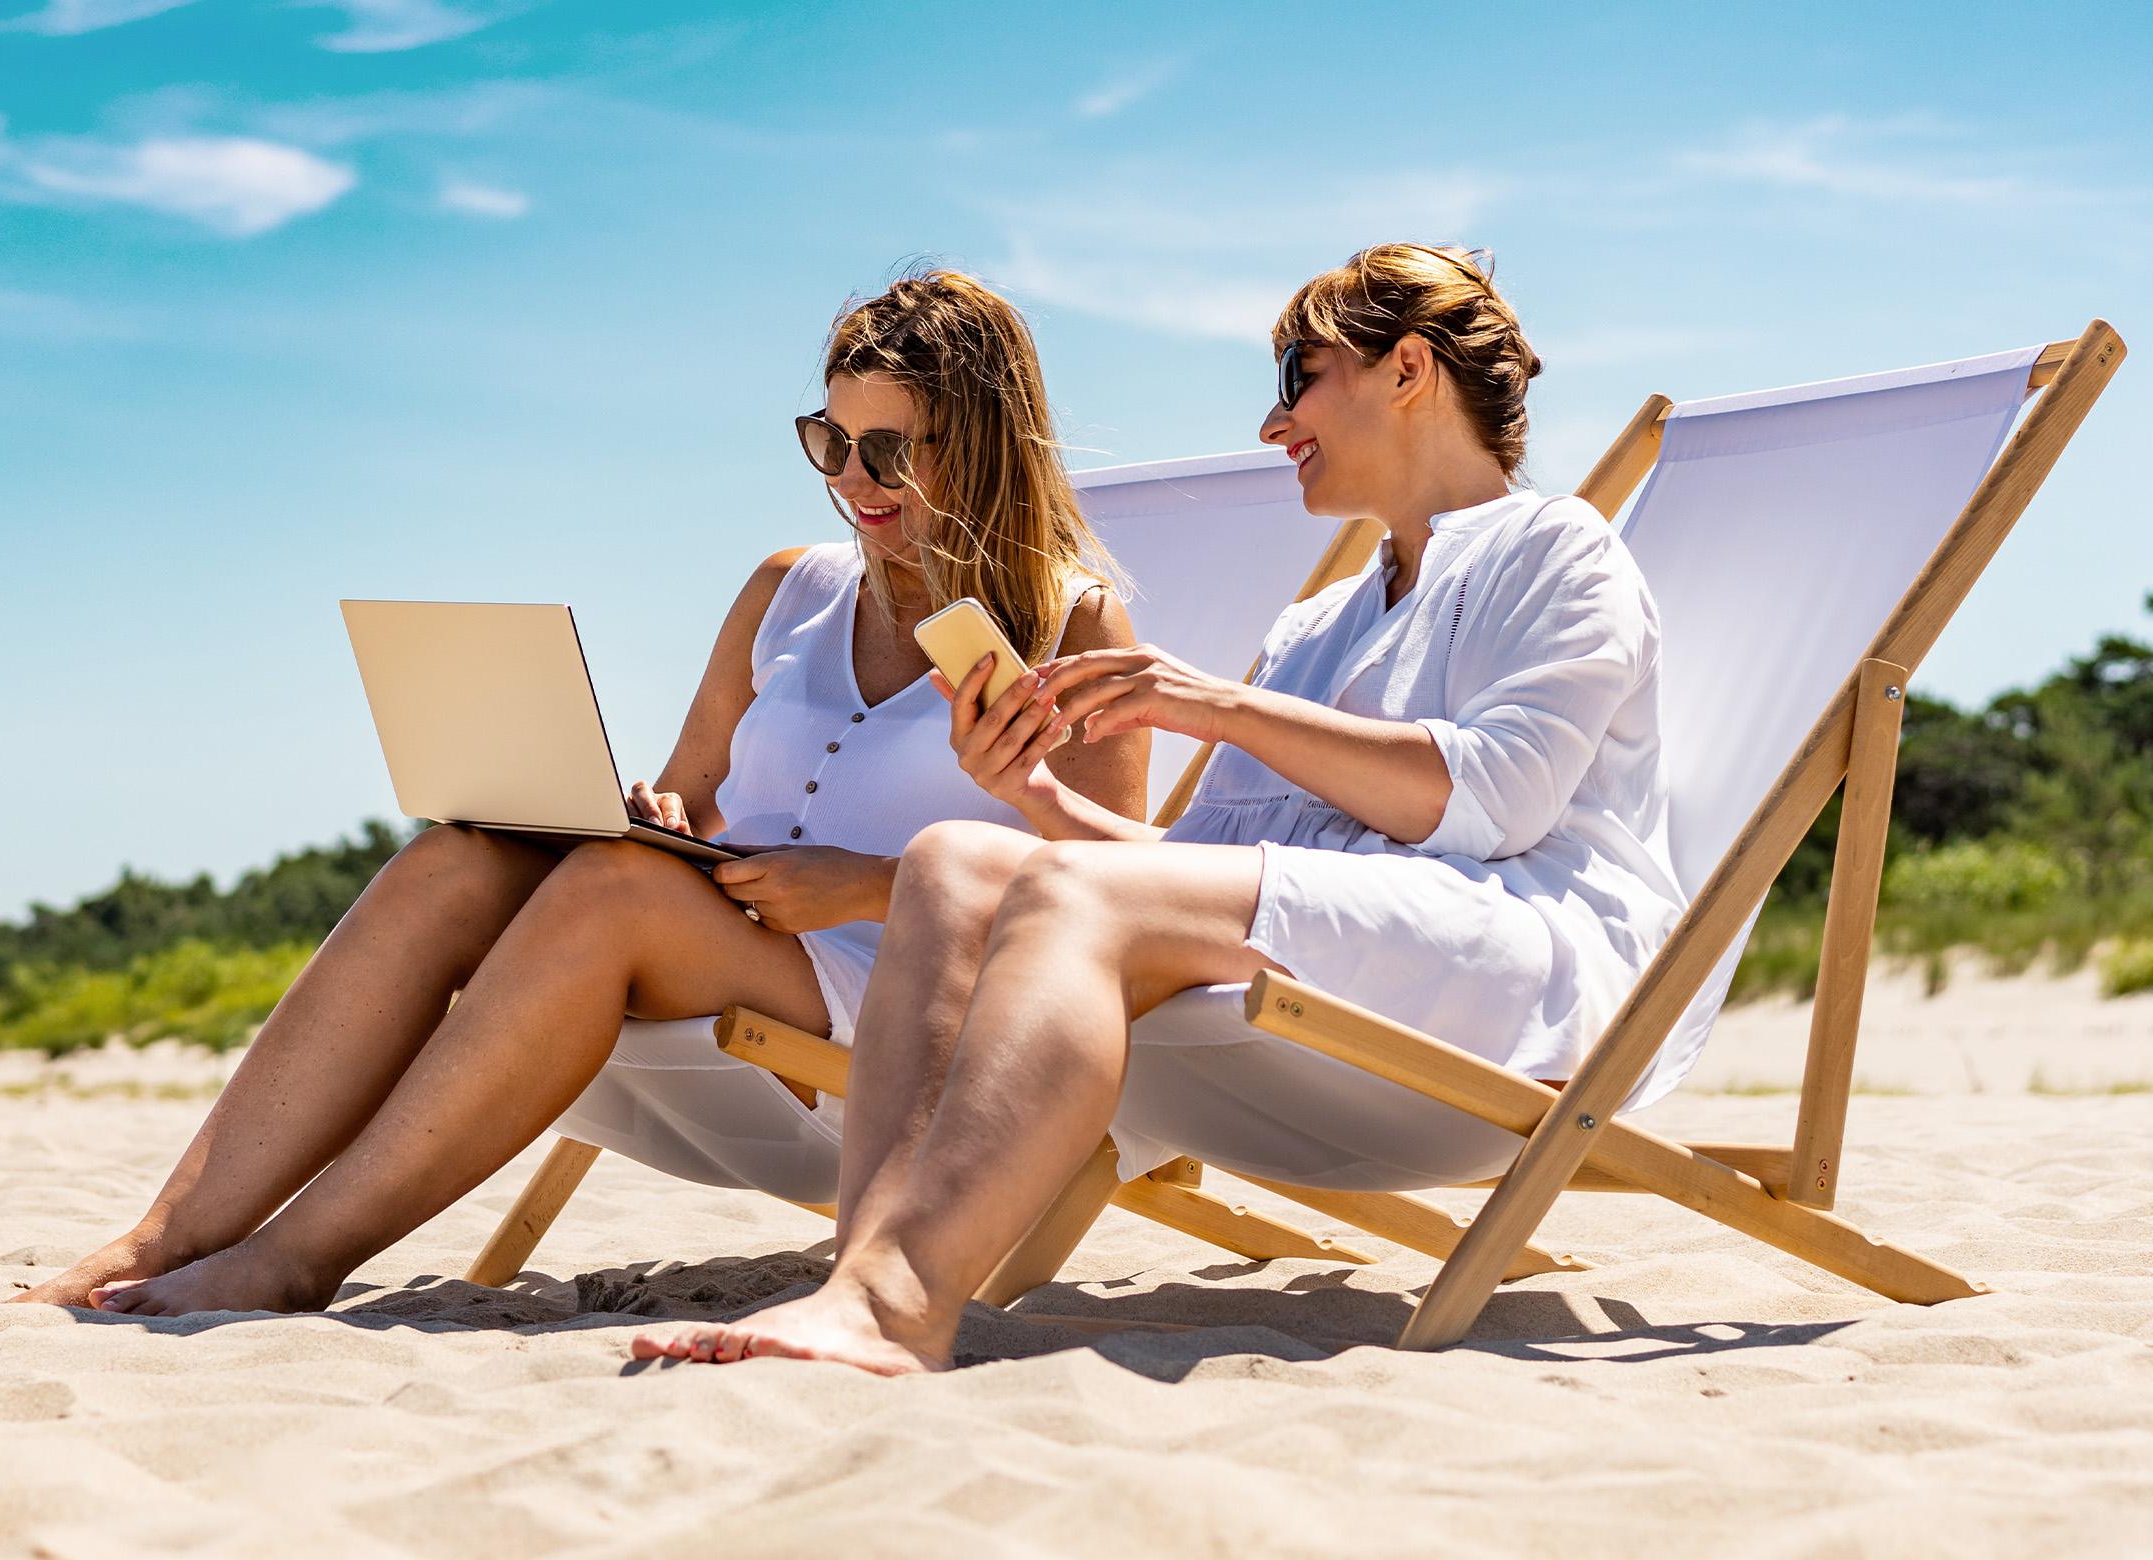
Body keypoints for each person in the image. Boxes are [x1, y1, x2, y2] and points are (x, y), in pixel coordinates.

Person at [632, 243, 1683, 1373]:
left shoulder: (1561, 550)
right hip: (1337, 941)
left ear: (1408, 369)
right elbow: (1189, 864)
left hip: (1510, 958)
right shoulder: (1323, 622)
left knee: (1060, 893)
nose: (1276, 427)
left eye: (1300, 378)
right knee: (952, 857)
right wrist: (1025, 792)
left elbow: (1497, 800)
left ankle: (896, 1308)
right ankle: (860, 1287)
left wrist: (1220, 708)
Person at [17, 271, 1149, 1316]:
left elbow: (1111, 899)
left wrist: (864, 886)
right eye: (830, 441)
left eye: (891, 452)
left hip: (896, 996)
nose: (853, 482)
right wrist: (657, 815)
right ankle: (159, 1240)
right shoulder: (785, 591)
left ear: (984, 447)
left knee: (614, 896)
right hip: (722, 929)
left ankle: (292, 1258)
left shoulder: (1071, 625)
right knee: (460, 854)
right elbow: (692, 793)